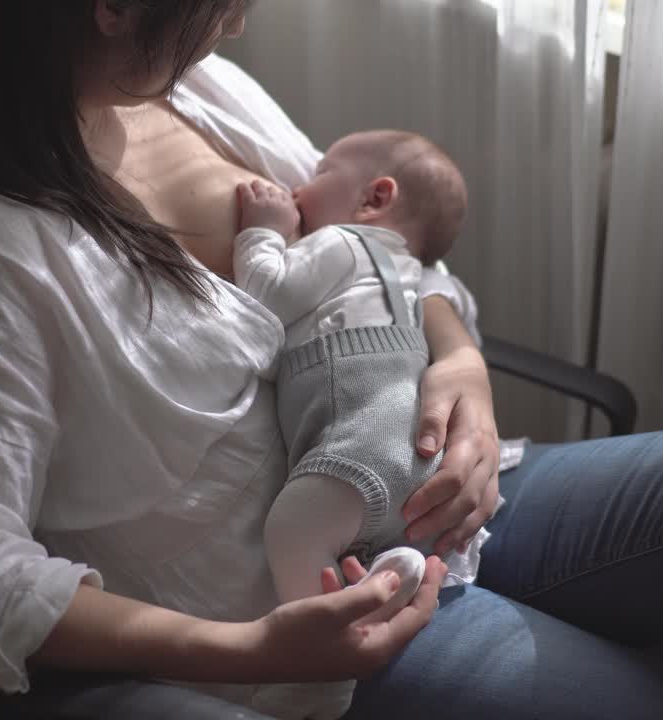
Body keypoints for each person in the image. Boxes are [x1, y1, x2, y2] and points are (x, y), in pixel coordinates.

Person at [0, 2, 663, 719]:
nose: (234, 22)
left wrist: (459, 361)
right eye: (217, 0)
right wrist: (246, 652)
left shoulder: (202, 96)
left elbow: (380, 260)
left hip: (423, 481)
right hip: (309, 603)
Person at [232, 131, 471, 718]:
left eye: (320, 172)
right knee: (340, 530)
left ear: (374, 198)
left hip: (359, 443)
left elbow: (266, 291)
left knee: (293, 528)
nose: (298, 187)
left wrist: (263, 229)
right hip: (415, 459)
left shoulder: (341, 241)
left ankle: (318, 672)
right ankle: (397, 572)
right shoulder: (410, 271)